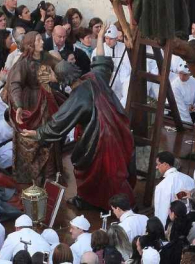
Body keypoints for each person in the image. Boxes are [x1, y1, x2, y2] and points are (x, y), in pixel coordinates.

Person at [21, 25, 134, 210]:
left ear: (61, 79)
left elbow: (57, 125)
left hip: (99, 141)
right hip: (116, 132)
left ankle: (98, 202)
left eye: (51, 73)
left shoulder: (77, 98)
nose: (49, 75)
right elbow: (101, 62)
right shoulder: (92, 77)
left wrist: (35, 133)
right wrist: (99, 39)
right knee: (114, 173)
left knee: (92, 172)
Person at [5, 31, 62, 184]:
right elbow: (15, 84)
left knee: (50, 135)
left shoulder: (46, 57)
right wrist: (18, 106)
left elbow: (60, 68)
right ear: (31, 44)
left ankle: (50, 173)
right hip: (31, 104)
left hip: (46, 100)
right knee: (31, 139)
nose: (42, 42)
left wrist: (60, 74)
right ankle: (32, 176)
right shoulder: (22, 63)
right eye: (38, 40)